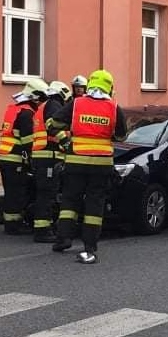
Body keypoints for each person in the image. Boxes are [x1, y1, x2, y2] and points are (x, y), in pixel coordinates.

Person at [48, 69, 127, 264]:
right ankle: (90, 246)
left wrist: (65, 142)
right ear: (109, 86)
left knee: (69, 201)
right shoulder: (114, 107)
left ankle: (63, 239)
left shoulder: (76, 104)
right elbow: (121, 135)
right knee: (95, 204)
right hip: (101, 164)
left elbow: (52, 124)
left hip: (76, 161)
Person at [0, 79, 48, 235]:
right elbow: (27, 142)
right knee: (17, 193)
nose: (41, 103)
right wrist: (32, 160)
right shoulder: (27, 114)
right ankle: (14, 226)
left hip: (5, 156)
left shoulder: (14, 109)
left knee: (10, 192)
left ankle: (10, 223)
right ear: (34, 97)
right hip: (16, 159)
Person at [29, 81, 71, 243]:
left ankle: (44, 226)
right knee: (47, 194)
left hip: (43, 156)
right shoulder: (53, 105)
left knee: (45, 193)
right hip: (49, 157)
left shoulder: (44, 106)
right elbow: (54, 128)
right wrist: (66, 143)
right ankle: (42, 230)